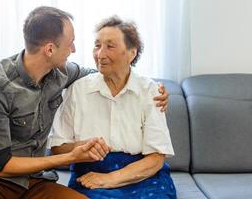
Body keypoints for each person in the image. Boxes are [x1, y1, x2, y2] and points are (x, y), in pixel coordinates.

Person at [0, 6, 168, 199]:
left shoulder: (61, 72)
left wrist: (150, 88)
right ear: (50, 50)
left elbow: (105, 72)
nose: (74, 48)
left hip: (33, 182)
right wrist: (71, 156)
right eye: (70, 42)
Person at [49, 16, 176, 199]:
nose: (100, 54)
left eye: (110, 46)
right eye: (97, 45)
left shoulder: (150, 91)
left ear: (132, 53)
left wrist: (109, 179)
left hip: (142, 174)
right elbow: (58, 148)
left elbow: (156, 158)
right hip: (89, 173)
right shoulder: (77, 89)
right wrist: (83, 147)